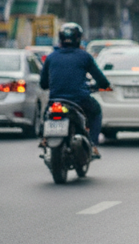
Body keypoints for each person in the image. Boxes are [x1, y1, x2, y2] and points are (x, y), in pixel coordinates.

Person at [39, 22, 110, 158]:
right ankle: (93, 145)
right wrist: (102, 85)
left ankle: (44, 138)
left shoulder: (51, 57)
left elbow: (43, 84)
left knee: (46, 115)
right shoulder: (84, 56)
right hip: (79, 100)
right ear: (78, 38)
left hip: (55, 100)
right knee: (96, 112)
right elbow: (101, 79)